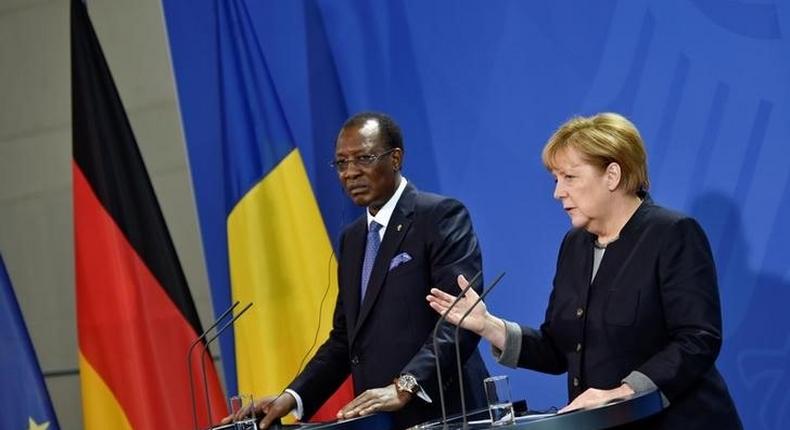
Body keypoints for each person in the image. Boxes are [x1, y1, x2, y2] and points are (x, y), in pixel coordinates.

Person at [427, 113, 742, 429]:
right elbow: (559, 349)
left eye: (570, 177)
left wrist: (624, 392)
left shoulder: (672, 233)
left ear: (612, 175)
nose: (558, 192)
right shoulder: (575, 244)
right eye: (556, 179)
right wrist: (488, 325)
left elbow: (697, 339)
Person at [226, 112, 489, 429]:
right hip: (380, 419)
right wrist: (292, 397)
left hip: (448, 413)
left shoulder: (440, 217)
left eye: (363, 158)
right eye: (341, 163)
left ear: (395, 159)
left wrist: (407, 384)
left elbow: (461, 320)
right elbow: (345, 340)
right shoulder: (353, 240)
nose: (350, 173)